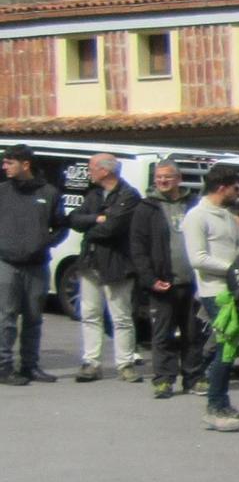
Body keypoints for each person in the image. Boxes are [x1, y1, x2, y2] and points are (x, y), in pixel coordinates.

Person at [182, 164, 239, 431]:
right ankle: (214, 405)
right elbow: (197, 259)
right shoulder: (196, 217)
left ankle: (221, 400)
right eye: (236, 187)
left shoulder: (226, 215)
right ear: (222, 187)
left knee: (231, 347)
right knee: (225, 347)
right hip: (215, 293)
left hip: (234, 290)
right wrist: (233, 268)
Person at [65, 152, 143, 382]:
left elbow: (112, 228)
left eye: (91, 168)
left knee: (121, 317)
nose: (88, 172)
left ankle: (125, 364)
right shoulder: (94, 194)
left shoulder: (128, 196)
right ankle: (91, 362)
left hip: (117, 264)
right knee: (89, 314)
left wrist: (94, 223)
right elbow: (74, 219)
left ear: (105, 170)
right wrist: (95, 219)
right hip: (90, 263)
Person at [130, 161, 203, 399]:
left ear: (178, 178)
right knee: (163, 334)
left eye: (167, 177)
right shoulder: (146, 208)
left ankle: (193, 378)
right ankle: (163, 379)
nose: (162, 181)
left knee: (193, 333)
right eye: (159, 177)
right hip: (162, 282)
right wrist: (150, 279)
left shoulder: (193, 204)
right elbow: (138, 248)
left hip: (192, 282)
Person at [0, 144, 63, 386]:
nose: (4, 166)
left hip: (37, 264)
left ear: (25, 164)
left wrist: (45, 242)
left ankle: (29, 365)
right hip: (6, 262)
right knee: (6, 317)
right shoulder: (2, 191)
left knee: (34, 317)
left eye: (9, 162)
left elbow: (60, 225)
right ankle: (3, 366)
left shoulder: (48, 193)